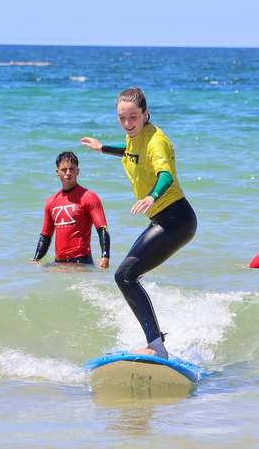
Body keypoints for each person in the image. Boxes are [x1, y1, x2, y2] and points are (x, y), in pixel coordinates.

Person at [80, 87, 197, 359]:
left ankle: (156, 347)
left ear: (145, 114)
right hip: (164, 218)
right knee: (126, 276)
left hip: (176, 217)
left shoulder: (155, 141)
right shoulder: (135, 137)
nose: (127, 123)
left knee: (125, 275)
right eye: (122, 118)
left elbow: (165, 174)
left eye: (133, 117)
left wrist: (151, 196)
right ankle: (156, 343)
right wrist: (103, 148)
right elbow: (131, 152)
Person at [31, 151, 110, 268]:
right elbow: (45, 235)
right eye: (64, 169)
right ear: (57, 172)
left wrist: (105, 256)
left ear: (77, 171)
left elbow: (102, 228)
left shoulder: (89, 197)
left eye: (72, 169)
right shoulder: (51, 202)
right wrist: (36, 259)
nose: (68, 173)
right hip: (59, 261)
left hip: (81, 261)